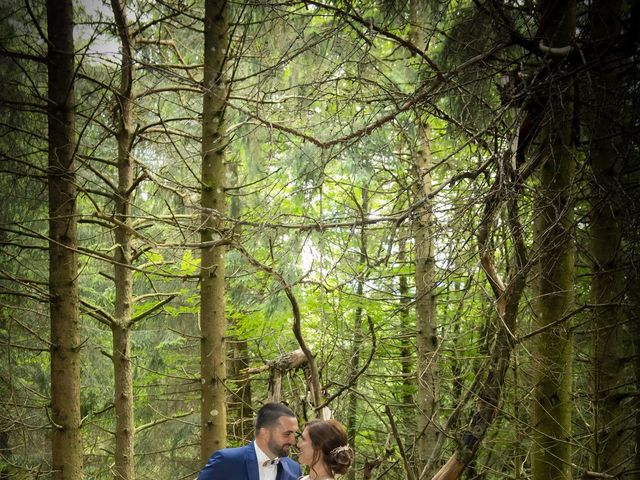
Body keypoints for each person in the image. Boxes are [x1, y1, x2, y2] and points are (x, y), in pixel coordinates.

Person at [197, 402, 302, 480]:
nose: (293, 441)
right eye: (287, 434)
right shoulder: (226, 461)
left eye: (294, 433)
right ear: (265, 433)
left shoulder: (294, 469)